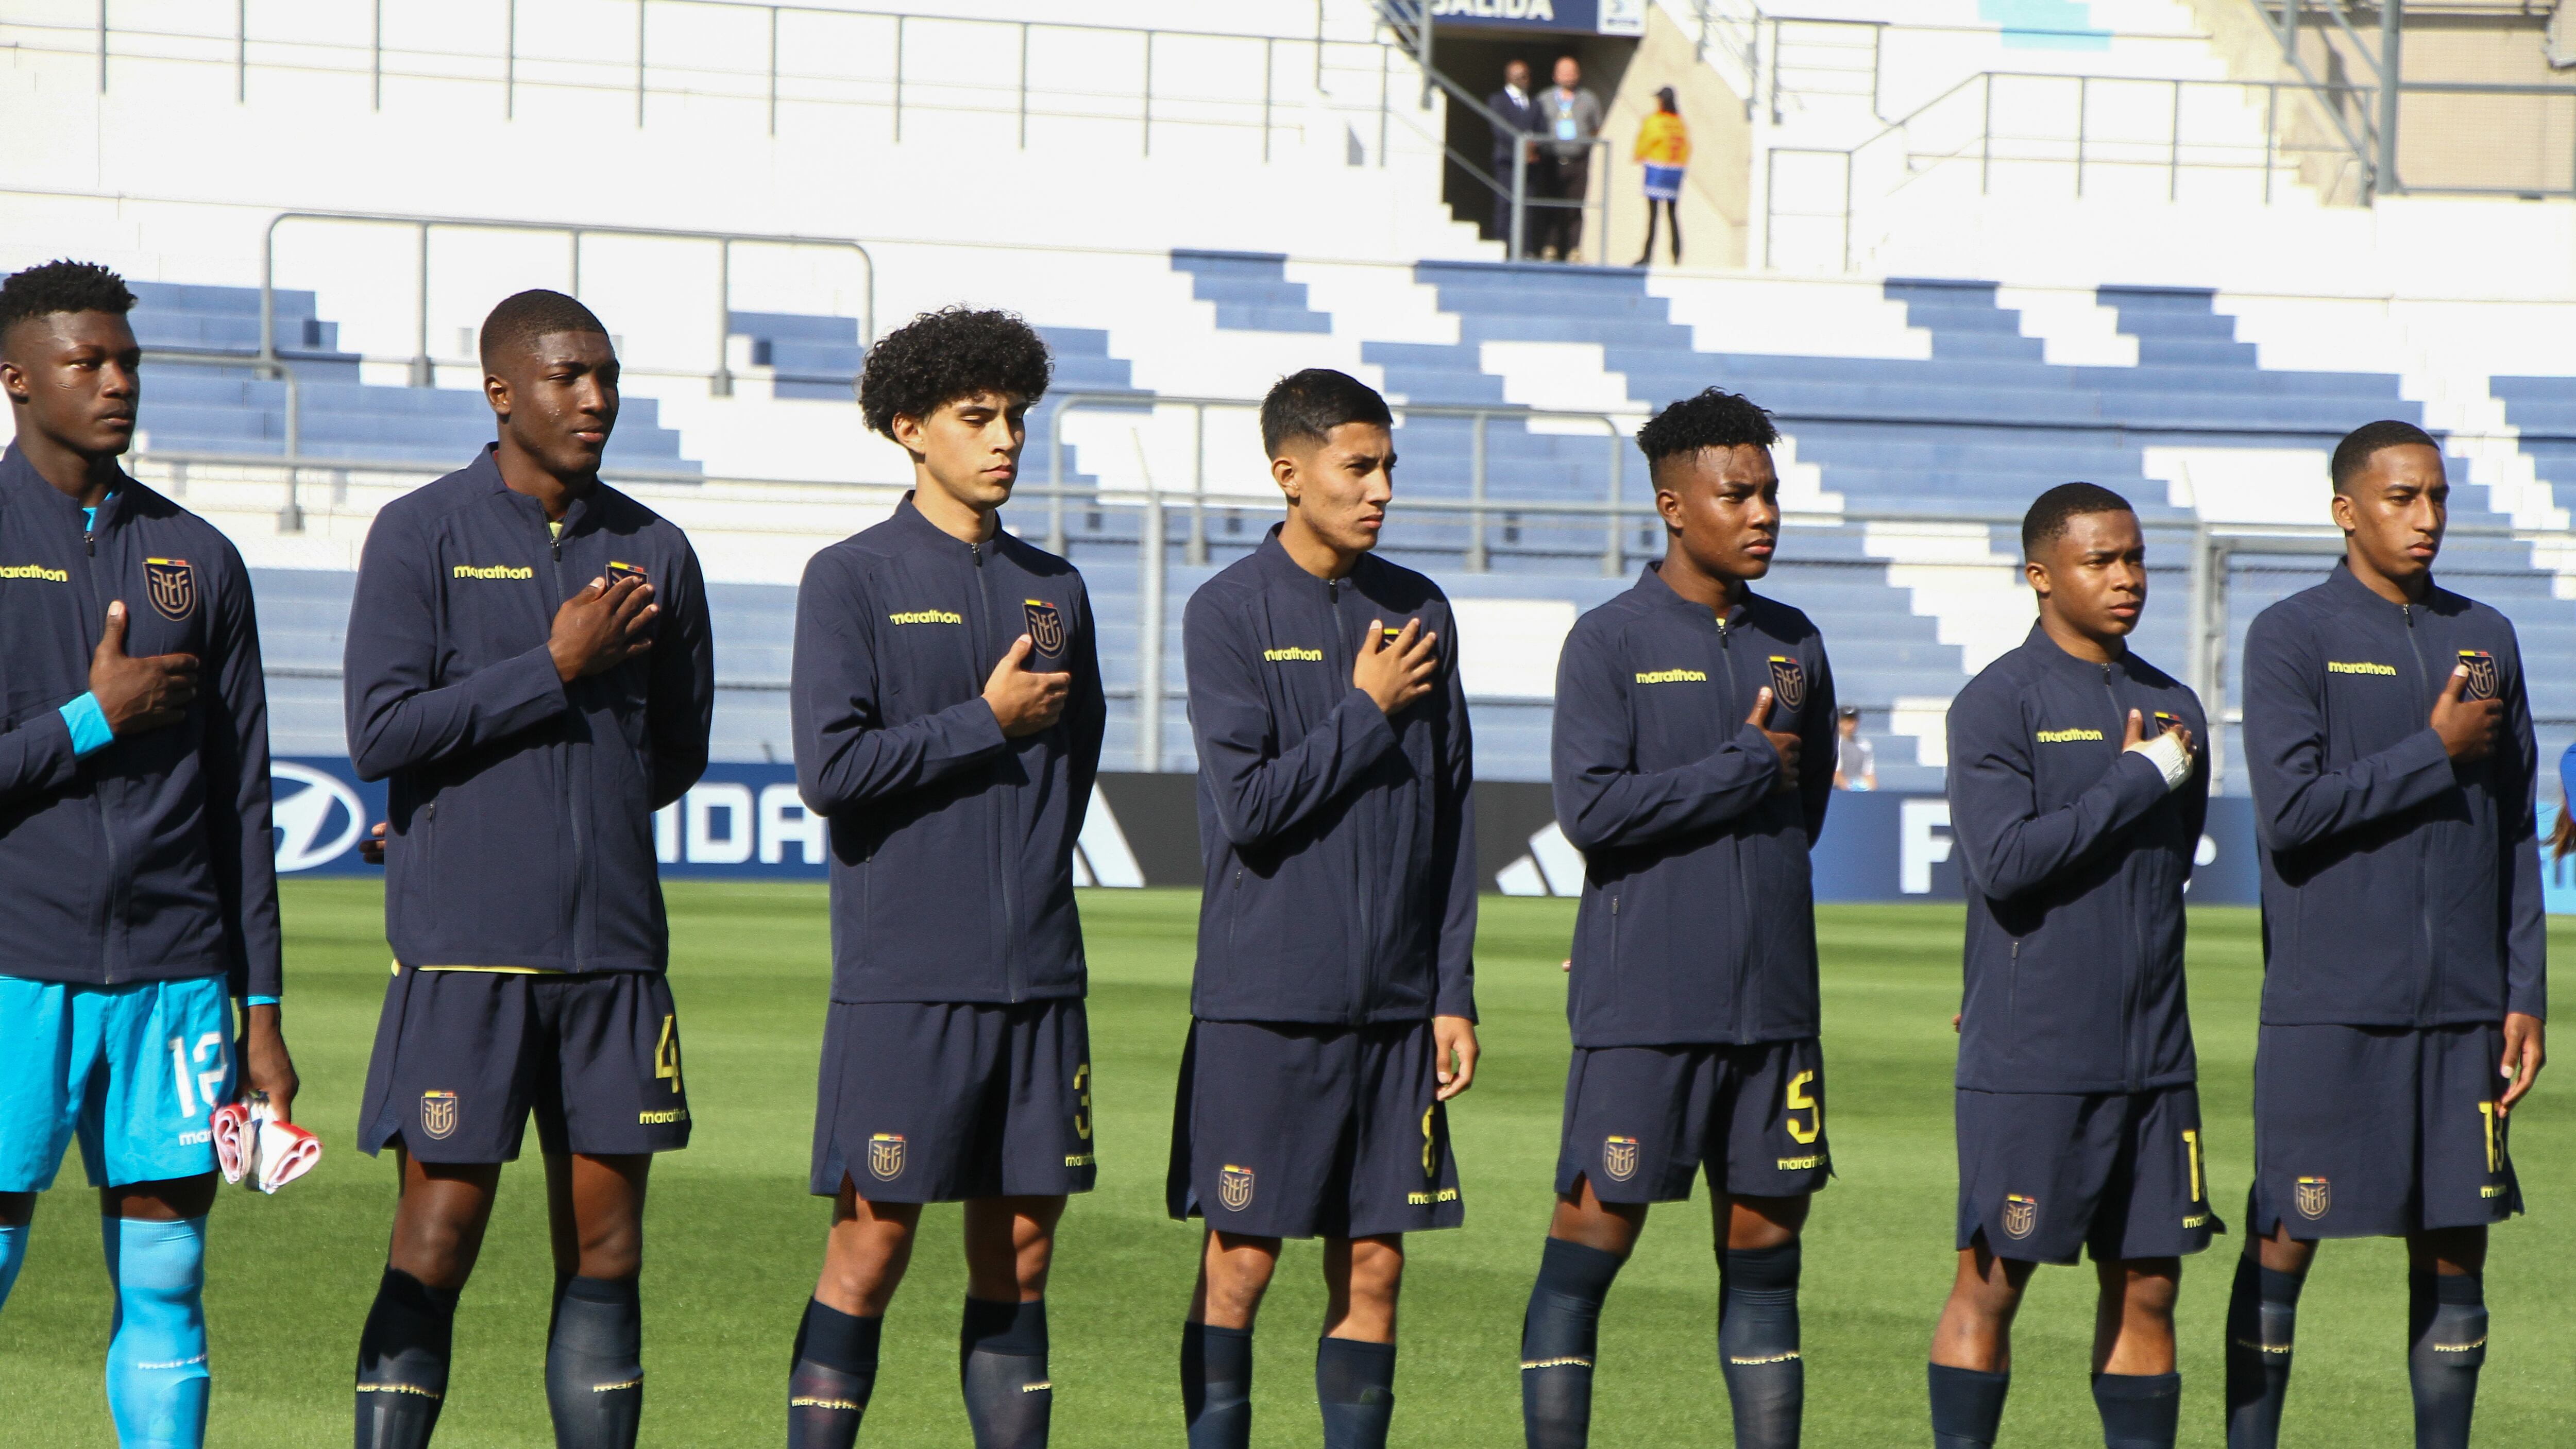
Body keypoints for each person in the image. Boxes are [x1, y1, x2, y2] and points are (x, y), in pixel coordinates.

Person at [342, 288, 715, 1449]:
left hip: (614, 963)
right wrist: (552, 665)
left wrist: (565, 817)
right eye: (567, 376)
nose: (596, 396)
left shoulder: (656, 547)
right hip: (466, 961)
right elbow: (382, 732)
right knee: (437, 1237)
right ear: (502, 392)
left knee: (608, 1251)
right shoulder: (422, 532)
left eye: (607, 373)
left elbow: (674, 750)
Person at [785, 306, 1103, 1449]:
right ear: (909, 428)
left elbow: (1075, 770)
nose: (1005, 437)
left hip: (1040, 979)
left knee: (1020, 1255)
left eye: (1015, 415)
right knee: (869, 1248)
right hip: (905, 984)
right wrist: (982, 720)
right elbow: (834, 768)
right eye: (977, 418)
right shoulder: (849, 578)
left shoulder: (1055, 587)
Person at [0, 259, 298, 1449]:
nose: (119, 381)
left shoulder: (200, 557)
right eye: (90, 361)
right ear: (18, 377)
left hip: (177, 975)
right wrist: (92, 719)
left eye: (128, 359)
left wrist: (261, 1000)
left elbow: (246, 794)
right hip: (15, 963)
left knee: (168, 1281)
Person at [1518, 387, 1835, 1449]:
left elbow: (1807, 813)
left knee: (1764, 1258)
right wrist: (1741, 764)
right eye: (1735, 493)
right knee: (1585, 1252)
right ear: (1672, 503)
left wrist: (1753, 792)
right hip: (1645, 1008)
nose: (1761, 513)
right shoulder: (1606, 640)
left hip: (1774, 1011)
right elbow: (1592, 808)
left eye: (1770, 492)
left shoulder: (1796, 643)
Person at [1173, 368, 1479, 1449]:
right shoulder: (1225, 611)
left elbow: (1450, 816)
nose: (1380, 488)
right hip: (1266, 1004)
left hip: (1396, 1011)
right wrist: (1365, 707)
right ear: (1287, 471)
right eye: (1358, 466)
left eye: (1388, 466)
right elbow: (1252, 808)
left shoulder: (1421, 606)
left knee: (1379, 1263)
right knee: (1243, 1260)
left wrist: (1451, 991)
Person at [2228, 420, 2546, 1449]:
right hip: (2329, 1007)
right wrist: (2432, 747)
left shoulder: (2487, 636)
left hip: (2461, 1013)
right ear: (2346, 511)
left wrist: (2523, 991)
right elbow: (2292, 814)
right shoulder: (2290, 634)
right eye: (2403, 497)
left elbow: (2511, 831)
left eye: (2438, 497)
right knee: (2285, 1235)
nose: (2426, 517)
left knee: (2458, 1247)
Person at [1926, 483, 2213, 1449]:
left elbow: (2167, 872)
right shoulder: (1997, 702)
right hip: (2037, 1056)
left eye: (2136, 558)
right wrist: (2132, 778)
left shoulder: (2177, 707)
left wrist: (2148, 775)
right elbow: (2004, 863)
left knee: (2151, 1283)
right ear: (2042, 575)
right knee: (1994, 1279)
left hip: (2156, 1059)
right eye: (2101, 560)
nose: (2127, 578)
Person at [1538, 56, 1604, 262]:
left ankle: (1574, 248)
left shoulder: (1588, 99)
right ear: (1555, 75)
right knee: (1551, 204)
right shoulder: (1544, 99)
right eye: (1564, 72)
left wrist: (1584, 147)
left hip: (1578, 161)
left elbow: (1596, 128)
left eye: (1572, 72)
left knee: (1576, 207)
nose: (1568, 77)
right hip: (1551, 160)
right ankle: (1550, 246)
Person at [1487, 60, 1545, 247]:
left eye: (1526, 75)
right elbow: (1500, 130)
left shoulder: (1535, 103)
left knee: (1527, 207)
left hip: (1530, 163)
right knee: (1505, 204)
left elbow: (1542, 129)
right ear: (1509, 77)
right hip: (1507, 161)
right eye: (1519, 76)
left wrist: (1534, 146)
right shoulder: (1497, 101)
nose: (1524, 79)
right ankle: (1502, 244)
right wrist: (1522, 146)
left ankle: (1524, 247)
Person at [1633, 87, 1689, 267]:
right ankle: (1677, 254)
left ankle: (1647, 256)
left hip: (1657, 170)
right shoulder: (1679, 123)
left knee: (1654, 216)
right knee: (1672, 214)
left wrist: (1638, 155)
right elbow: (1687, 146)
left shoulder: (1655, 121)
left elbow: (1645, 141)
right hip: (1675, 172)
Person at [1832, 706, 1875, 791]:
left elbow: (1869, 774)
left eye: (1853, 721)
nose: (1850, 725)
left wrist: (1867, 789)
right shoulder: (1836, 743)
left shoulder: (1865, 745)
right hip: (1839, 792)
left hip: (1859, 791)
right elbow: (1837, 774)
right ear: (1840, 722)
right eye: (1847, 721)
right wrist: (1850, 788)